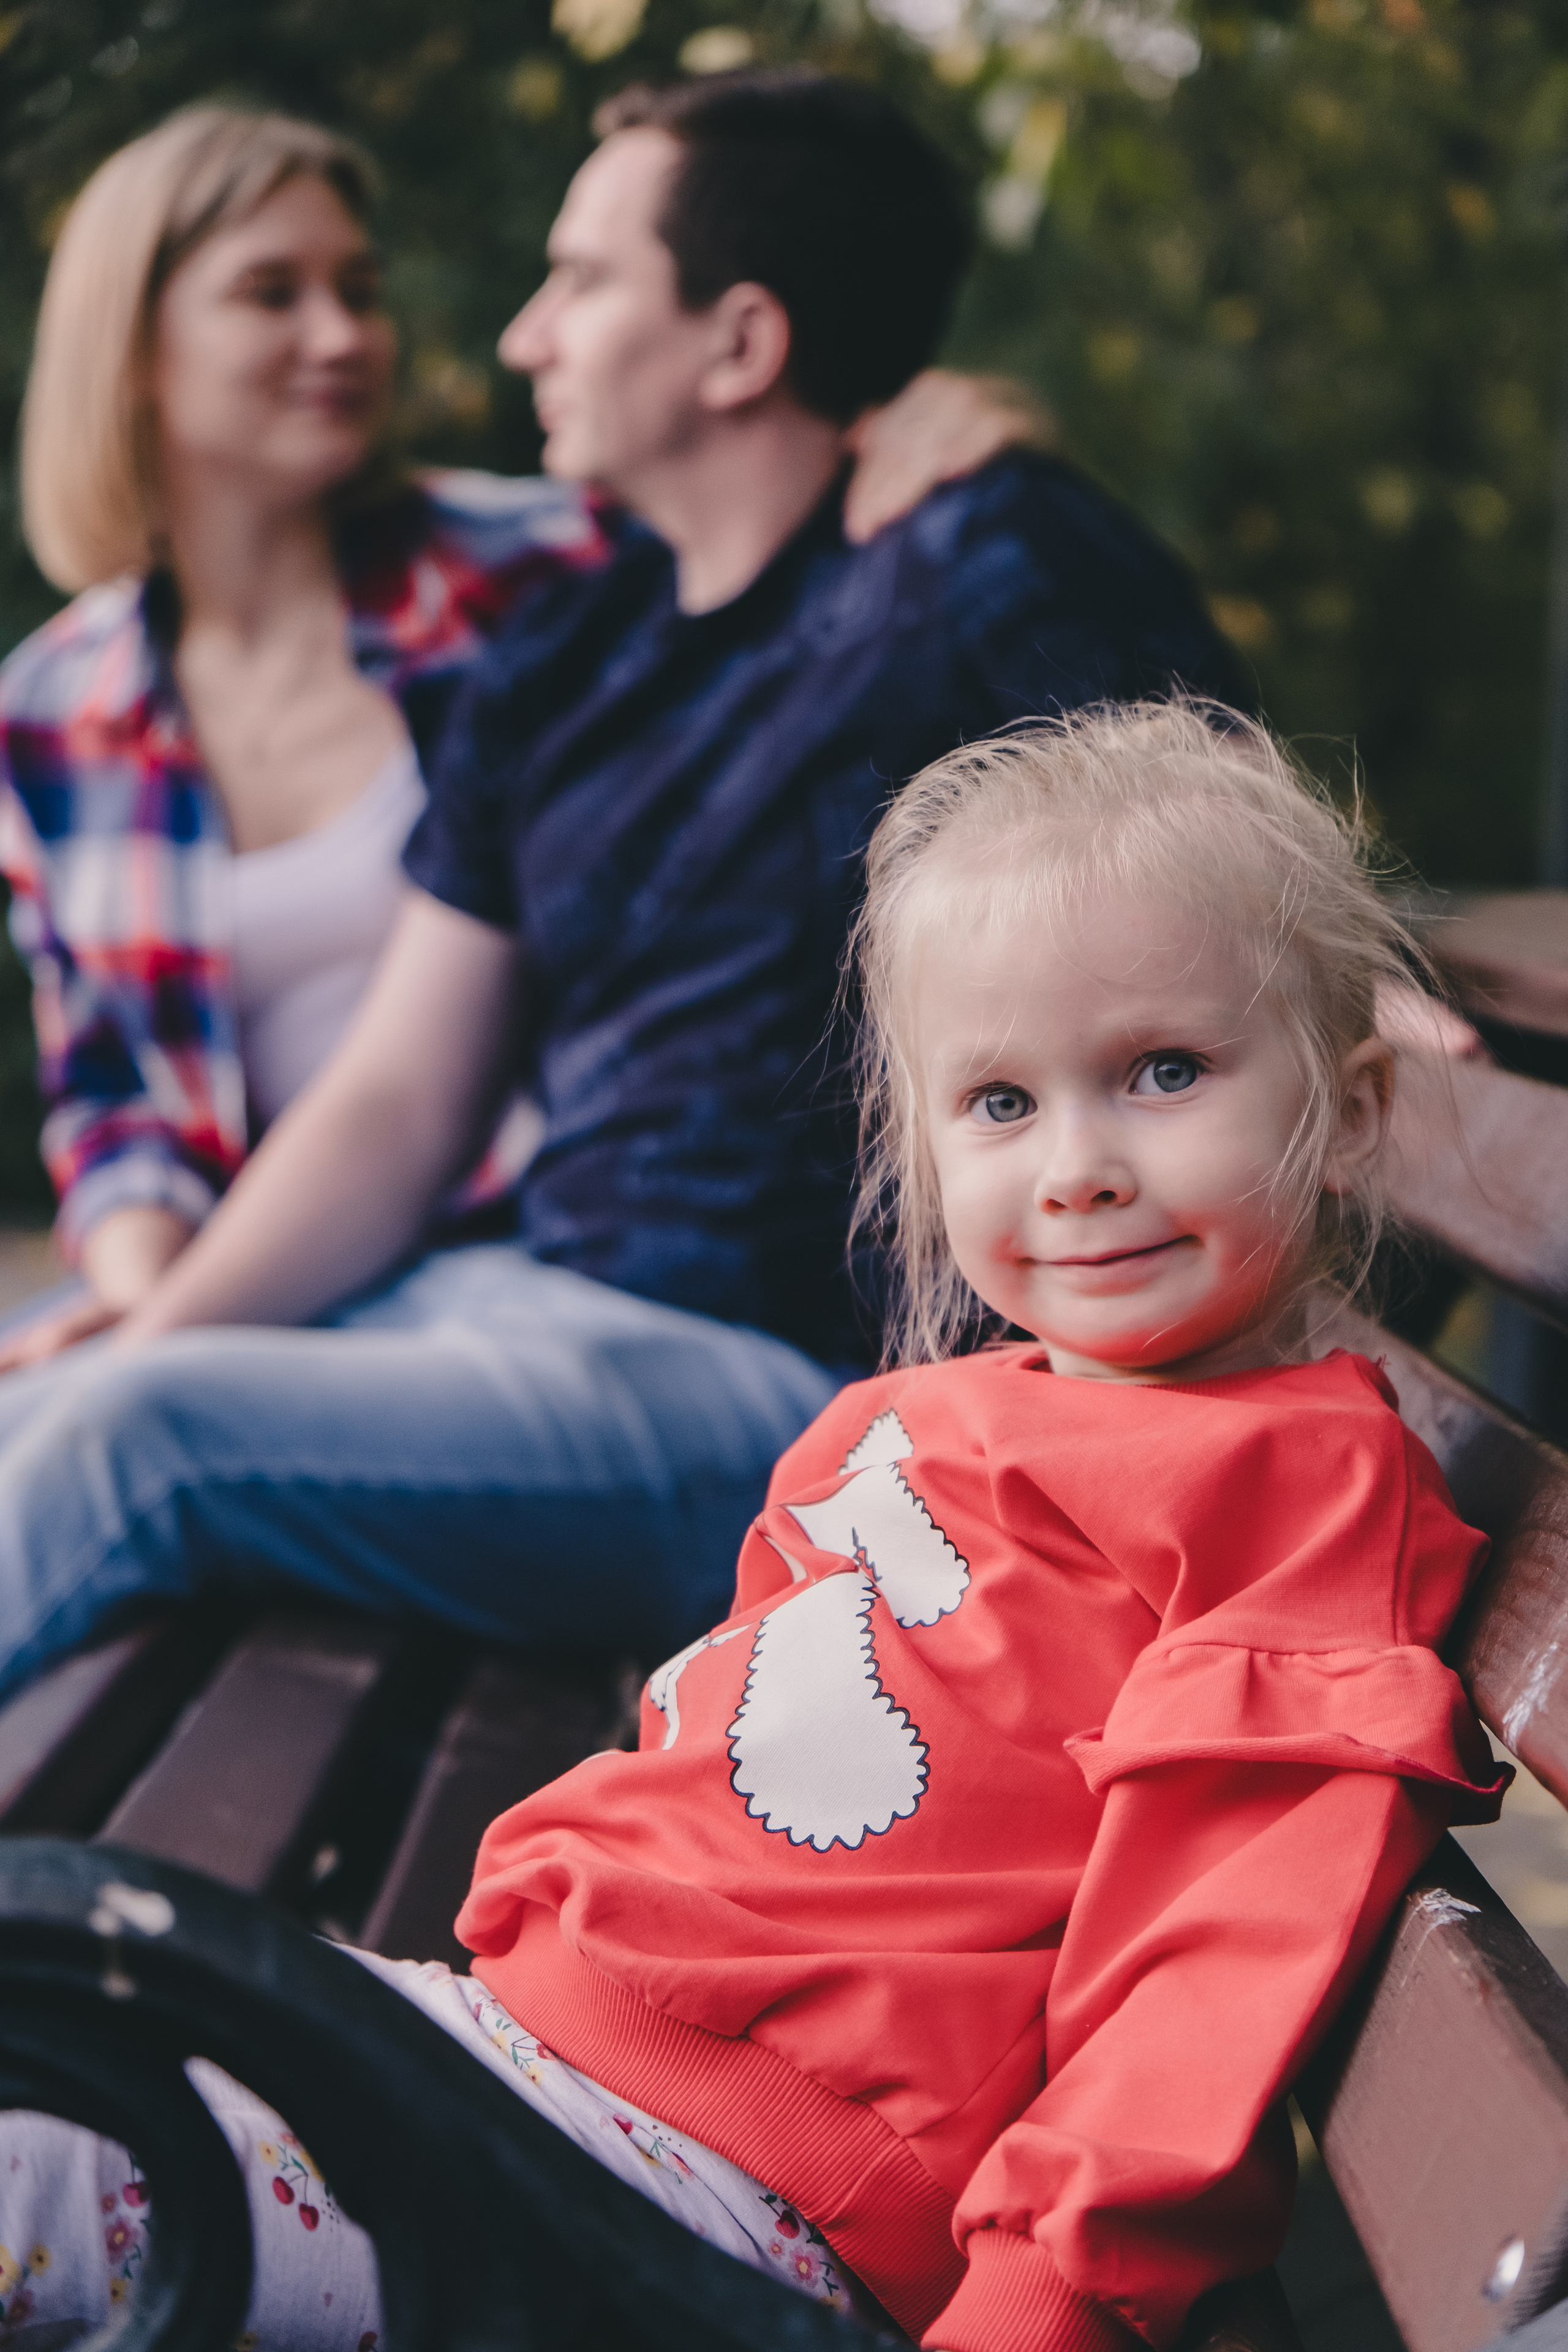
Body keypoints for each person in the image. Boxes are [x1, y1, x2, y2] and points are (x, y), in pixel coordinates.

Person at [0, 701, 1506, 2351]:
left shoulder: (1293, 1498)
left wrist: (1033, 2308)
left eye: (1163, 1073)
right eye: (1001, 1103)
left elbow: (1215, 1958)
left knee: (44, 2161)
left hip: (724, 2211)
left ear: (1352, 1110)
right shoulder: (902, 1420)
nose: (1076, 1166)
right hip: (544, 2066)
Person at [0, 70, 1250, 1694]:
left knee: (131, 1444)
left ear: (738, 345)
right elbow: (397, 1097)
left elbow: (1246, 903)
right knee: (51, 1413)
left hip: (793, 1394)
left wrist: (968, 423)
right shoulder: (574, 642)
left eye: (580, 281)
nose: (521, 336)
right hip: (512, 1306)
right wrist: (155, 1323)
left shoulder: (980, 571)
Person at [0, 99, 1022, 1363]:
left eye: (358, 290)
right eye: (272, 293)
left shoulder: (547, 568)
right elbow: (112, 1099)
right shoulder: (47, 713)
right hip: (260, 1265)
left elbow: (764, 499)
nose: (341, 335)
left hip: (532, 1255)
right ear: (134, 347)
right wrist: (160, 1306)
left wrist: (918, 415)